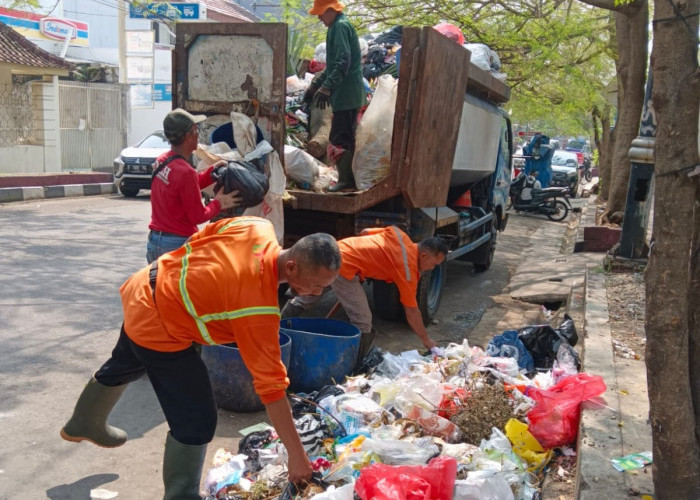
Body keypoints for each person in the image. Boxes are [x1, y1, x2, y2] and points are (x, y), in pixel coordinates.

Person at [60, 217, 341, 498]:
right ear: (291, 267)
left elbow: (202, 235)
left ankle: (84, 421)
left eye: (324, 288)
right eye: (316, 286)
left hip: (145, 286)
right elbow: (271, 387)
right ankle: (180, 495)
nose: (318, 294)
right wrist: (296, 454)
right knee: (197, 420)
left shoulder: (257, 227)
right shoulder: (256, 310)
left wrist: (197, 285)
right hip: (159, 325)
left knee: (127, 361)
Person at [281, 226, 448, 354]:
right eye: (433, 264)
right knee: (363, 321)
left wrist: (366, 262)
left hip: (335, 252)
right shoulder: (407, 270)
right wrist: (427, 341)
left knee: (307, 297)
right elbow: (411, 311)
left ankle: (277, 330)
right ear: (424, 255)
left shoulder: (399, 234)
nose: (431, 269)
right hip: (345, 268)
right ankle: (356, 364)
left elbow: (365, 232)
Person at [147, 108, 242, 263]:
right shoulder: (185, 172)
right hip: (176, 246)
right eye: (196, 130)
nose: (198, 134)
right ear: (188, 136)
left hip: (155, 241)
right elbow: (198, 216)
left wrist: (212, 171)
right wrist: (219, 203)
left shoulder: (162, 160)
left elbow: (183, 187)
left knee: (158, 287)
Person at [304, 0, 366, 192]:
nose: (320, 18)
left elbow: (343, 61)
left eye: (321, 13)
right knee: (344, 135)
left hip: (347, 94)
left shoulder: (340, 26)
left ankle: (347, 181)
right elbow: (332, 65)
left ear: (331, 10)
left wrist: (327, 87)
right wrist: (314, 86)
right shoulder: (335, 27)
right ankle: (348, 179)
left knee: (341, 137)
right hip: (345, 95)